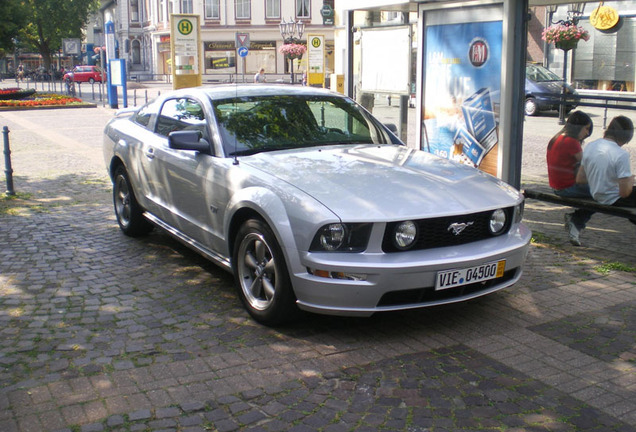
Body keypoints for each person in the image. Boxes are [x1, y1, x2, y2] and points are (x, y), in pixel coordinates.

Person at [546, 110, 594, 246]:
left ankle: (576, 220)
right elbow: (587, 166)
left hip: (557, 185)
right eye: (586, 129)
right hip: (567, 187)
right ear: (578, 128)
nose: (587, 133)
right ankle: (577, 221)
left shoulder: (557, 138)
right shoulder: (571, 142)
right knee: (602, 193)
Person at [577, 115, 636, 210]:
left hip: (596, 194)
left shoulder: (590, 146)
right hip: (614, 198)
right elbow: (624, 193)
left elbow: (580, 179)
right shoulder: (621, 154)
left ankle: (577, 219)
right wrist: (630, 181)